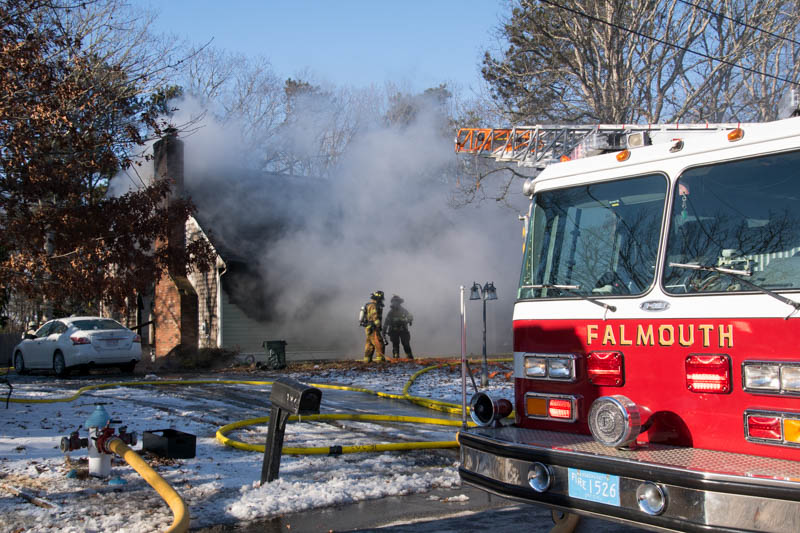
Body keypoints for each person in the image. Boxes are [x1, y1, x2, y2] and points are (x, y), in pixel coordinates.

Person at [383, 294, 413, 360]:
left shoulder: (404, 311)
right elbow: (386, 323)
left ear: (399, 302)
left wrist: (407, 320)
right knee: (395, 346)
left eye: (396, 301)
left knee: (406, 344)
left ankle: (410, 358)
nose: (395, 303)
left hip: (403, 331)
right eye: (394, 301)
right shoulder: (390, 312)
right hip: (394, 331)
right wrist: (384, 332)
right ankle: (396, 358)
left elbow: (410, 318)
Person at [363, 290, 386, 363]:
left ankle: (367, 360)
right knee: (379, 343)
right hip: (373, 327)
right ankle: (380, 361)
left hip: (369, 327)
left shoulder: (369, 304)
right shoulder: (373, 306)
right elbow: (374, 316)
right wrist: (378, 326)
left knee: (369, 344)